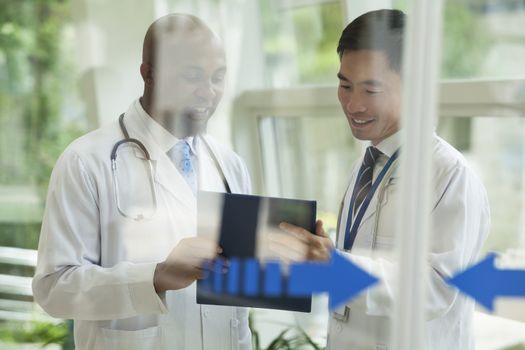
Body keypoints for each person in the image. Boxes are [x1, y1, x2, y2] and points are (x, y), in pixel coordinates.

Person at [32, 14, 252, 350]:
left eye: (217, 77)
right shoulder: (86, 161)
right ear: (149, 74)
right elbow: (54, 289)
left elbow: (239, 311)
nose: (208, 92)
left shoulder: (230, 166)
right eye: (192, 76)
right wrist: (155, 276)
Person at [280, 9, 490, 350]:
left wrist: (336, 266)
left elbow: (436, 290)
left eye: (371, 90)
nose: (353, 104)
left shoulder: (449, 174)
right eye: (344, 85)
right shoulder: (366, 164)